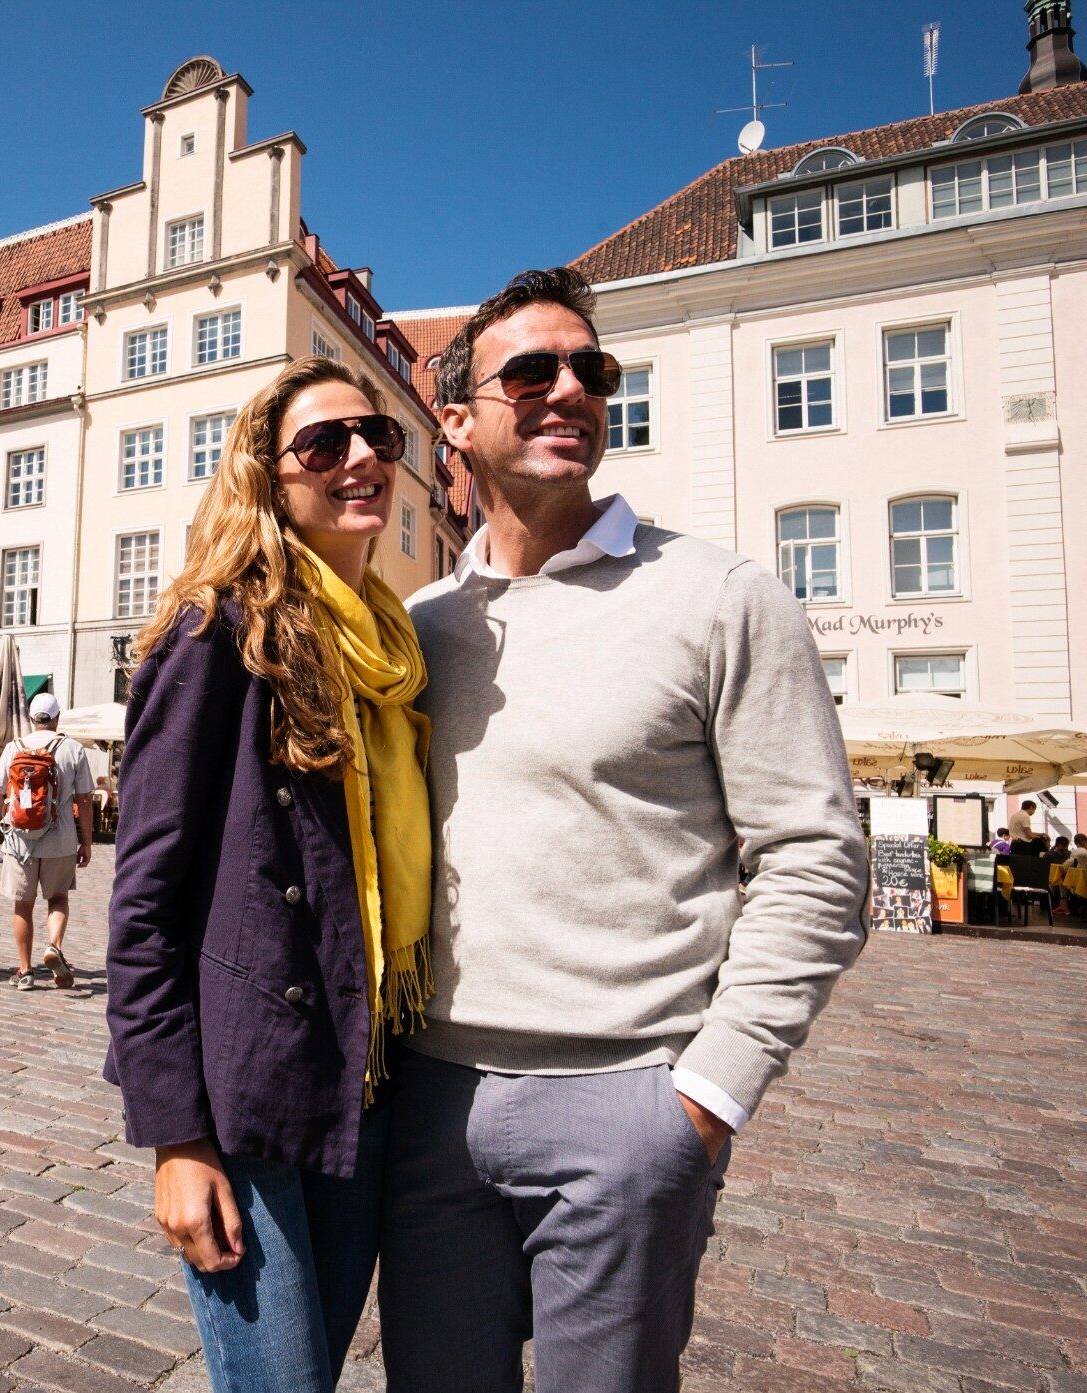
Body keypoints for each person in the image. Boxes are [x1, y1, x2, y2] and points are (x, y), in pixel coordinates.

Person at [384, 268, 869, 1393]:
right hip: (429, 1105)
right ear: (455, 420)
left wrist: (706, 1097)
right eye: (532, 370)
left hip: (630, 1100)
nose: (570, 389)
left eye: (592, 369)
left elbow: (814, 855)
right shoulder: (420, 627)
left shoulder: (720, 595)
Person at [106, 356, 432, 1391]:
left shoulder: (394, 646)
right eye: (323, 444)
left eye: (377, 437)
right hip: (244, 1093)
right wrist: (175, 1138)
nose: (360, 459)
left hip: (362, 1077)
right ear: (267, 472)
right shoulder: (217, 631)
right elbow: (144, 900)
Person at [0, 692, 94, 990]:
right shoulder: (72, 749)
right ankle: (53, 947)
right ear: (58, 717)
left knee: (23, 906)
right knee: (58, 897)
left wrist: (9, 822)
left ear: (32, 720)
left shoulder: (14, 748)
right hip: (60, 838)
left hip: (19, 842)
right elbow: (84, 800)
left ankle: (24, 972)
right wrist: (85, 841)